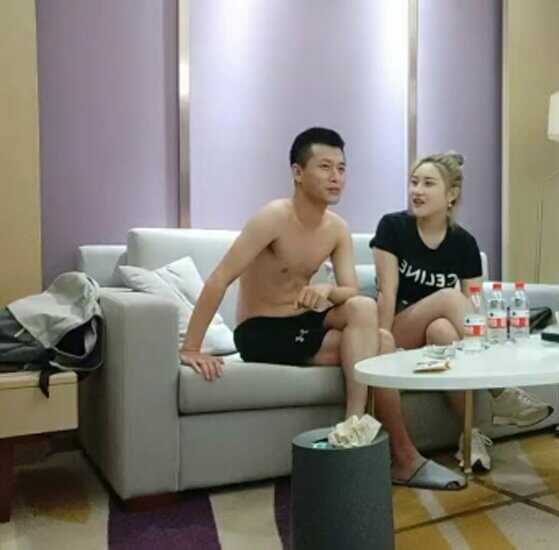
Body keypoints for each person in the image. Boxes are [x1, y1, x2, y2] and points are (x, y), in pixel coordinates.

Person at [179, 127, 463, 489]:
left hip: (302, 320)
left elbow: (350, 290)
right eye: (325, 167)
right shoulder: (273, 218)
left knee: (363, 308)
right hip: (262, 330)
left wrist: (327, 289)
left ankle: (353, 424)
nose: (336, 177)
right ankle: (403, 457)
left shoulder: (337, 229)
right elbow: (220, 277)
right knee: (382, 345)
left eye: (341, 169)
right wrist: (191, 347)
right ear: (298, 172)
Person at [371, 151, 553, 471]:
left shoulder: (463, 242)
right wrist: (382, 346)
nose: (417, 191)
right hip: (398, 328)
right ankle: (501, 388)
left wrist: (475, 333)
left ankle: (470, 435)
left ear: (451, 194)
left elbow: (475, 303)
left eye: (428, 184)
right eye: (414, 182)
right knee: (448, 298)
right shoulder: (393, 227)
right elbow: (387, 292)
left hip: (435, 334)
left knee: (443, 330)